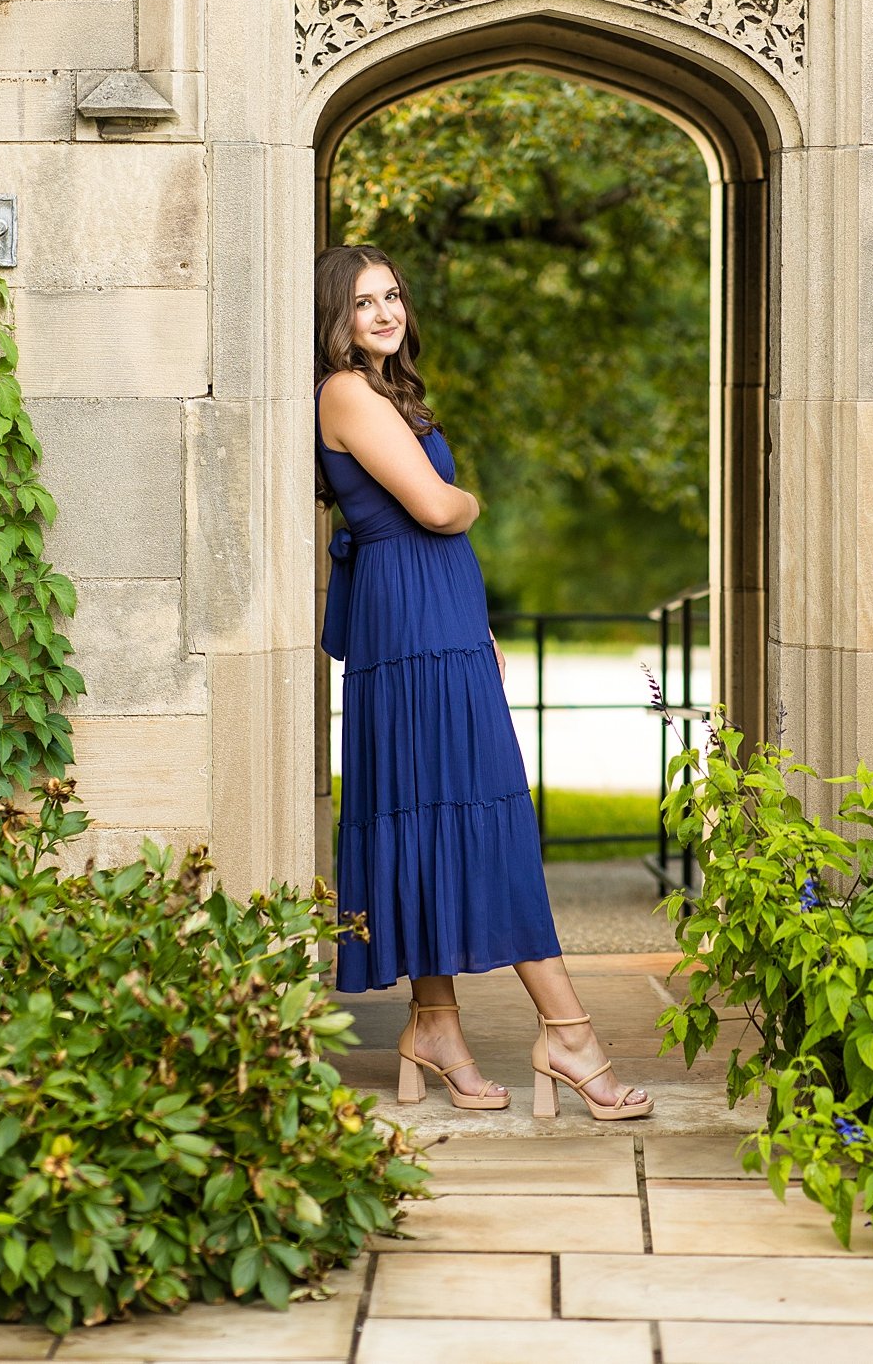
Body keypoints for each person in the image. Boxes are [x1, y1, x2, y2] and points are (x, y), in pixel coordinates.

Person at [315, 242, 652, 1121]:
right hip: (410, 625)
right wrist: (471, 501)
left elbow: (421, 517)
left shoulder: (385, 390)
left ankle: (435, 1026)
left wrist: (477, 623)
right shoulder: (346, 390)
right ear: (335, 317)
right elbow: (434, 509)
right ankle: (569, 1031)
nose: (385, 311)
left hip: (436, 621)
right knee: (481, 817)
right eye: (363, 301)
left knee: (444, 810)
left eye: (392, 295)